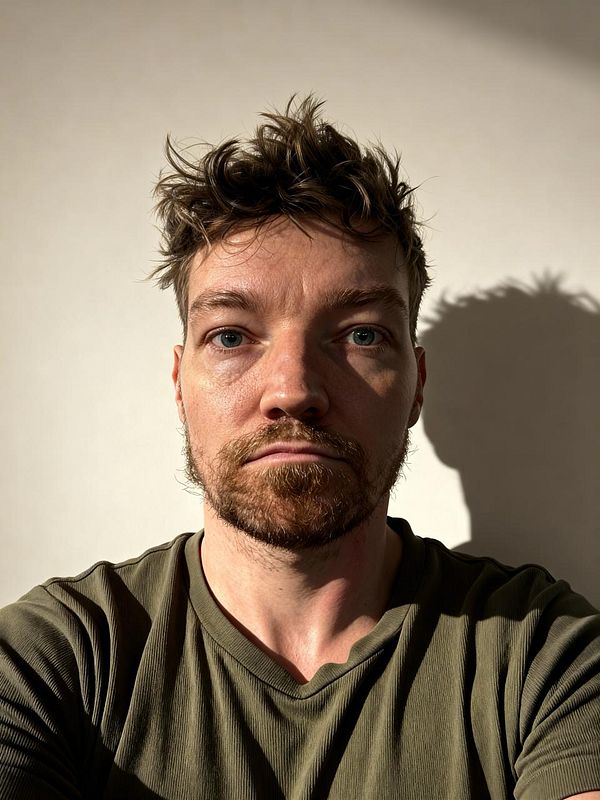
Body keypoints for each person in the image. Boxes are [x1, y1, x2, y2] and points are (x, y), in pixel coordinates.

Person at [0, 97, 598, 800]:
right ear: (178, 381)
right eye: (231, 335)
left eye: (362, 333)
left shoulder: (544, 654)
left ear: (417, 385)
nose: (292, 389)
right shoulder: (54, 658)